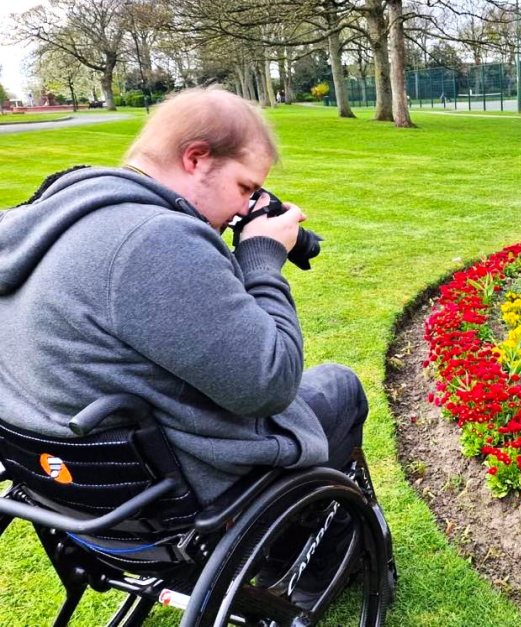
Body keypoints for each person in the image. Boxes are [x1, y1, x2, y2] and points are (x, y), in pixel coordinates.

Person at [0, 86, 366, 605]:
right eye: (245, 187)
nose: (244, 208)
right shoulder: (152, 240)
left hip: (63, 494)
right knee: (340, 387)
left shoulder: (45, 216)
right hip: (171, 508)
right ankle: (313, 575)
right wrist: (260, 256)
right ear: (196, 158)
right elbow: (269, 383)